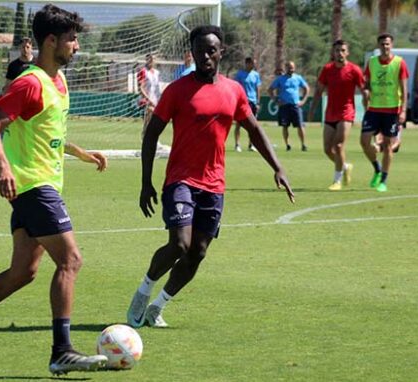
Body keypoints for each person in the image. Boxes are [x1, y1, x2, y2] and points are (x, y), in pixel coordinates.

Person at [0, 4, 109, 376]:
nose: (76, 46)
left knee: (22, 273)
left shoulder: (58, 82)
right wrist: (3, 169)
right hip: (33, 187)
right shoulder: (30, 83)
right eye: (72, 40)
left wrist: (81, 153)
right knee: (71, 260)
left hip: (40, 185)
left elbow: (49, 134)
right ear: (51, 41)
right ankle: (61, 351)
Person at [126, 25, 295, 329]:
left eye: (211, 49)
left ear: (221, 52)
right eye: (200, 50)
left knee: (198, 253)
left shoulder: (234, 90)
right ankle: (143, 290)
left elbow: (254, 130)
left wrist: (277, 167)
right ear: (192, 53)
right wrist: (145, 182)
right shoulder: (177, 90)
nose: (206, 55)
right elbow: (152, 134)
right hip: (180, 181)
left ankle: (158, 306)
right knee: (179, 244)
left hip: (214, 186)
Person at [309, 40, 365, 191]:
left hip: (346, 113)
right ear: (332, 53)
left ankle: (337, 181)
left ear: (347, 52)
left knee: (339, 146)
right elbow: (319, 90)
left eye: (342, 50)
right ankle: (345, 166)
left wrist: (368, 107)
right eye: (337, 50)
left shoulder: (354, 70)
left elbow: (364, 88)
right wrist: (312, 109)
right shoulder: (327, 69)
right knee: (327, 149)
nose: (339, 53)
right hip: (330, 114)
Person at [360, 33, 409, 193]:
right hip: (373, 108)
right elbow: (366, 84)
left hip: (391, 110)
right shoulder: (372, 62)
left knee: (387, 146)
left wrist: (403, 110)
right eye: (382, 44)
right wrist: (366, 92)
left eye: (387, 44)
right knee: (364, 141)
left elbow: (404, 89)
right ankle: (377, 168)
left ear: (391, 45)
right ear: (378, 46)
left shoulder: (399, 63)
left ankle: (383, 180)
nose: (385, 47)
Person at [269, 61, 310, 152]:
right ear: (286, 68)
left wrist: (303, 100)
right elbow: (270, 89)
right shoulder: (280, 79)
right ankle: (287, 144)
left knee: (300, 125)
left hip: (295, 105)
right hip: (284, 106)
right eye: (289, 67)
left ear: (294, 68)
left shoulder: (298, 78)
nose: (291, 69)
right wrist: (275, 100)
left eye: (292, 67)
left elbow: (306, 88)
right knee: (285, 126)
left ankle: (303, 144)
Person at [137, 53, 167, 149]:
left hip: (156, 101)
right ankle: (145, 138)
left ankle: (154, 140)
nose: (151, 61)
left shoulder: (157, 73)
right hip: (146, 101)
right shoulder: (143, 71)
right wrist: (148, 99)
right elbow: (140, 88)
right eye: (149, 59)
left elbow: (158, 88)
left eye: (153, 59)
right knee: (150, 116)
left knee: (156, 121)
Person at [233, 57, 262, 152]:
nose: (254, 65)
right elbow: (235, 87)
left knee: (253, 125)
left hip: (253, 102)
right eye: (252, 63)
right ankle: (237, 144)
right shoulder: (240, 74)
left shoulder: (256, 75)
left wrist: (258, 102)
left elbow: (257, 89)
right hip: (242, 102)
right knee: (238, 124)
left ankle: (251, 145)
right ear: (247, 63)